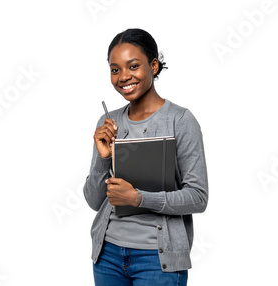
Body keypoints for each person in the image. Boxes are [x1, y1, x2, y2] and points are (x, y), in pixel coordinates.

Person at [83, 28, 208, 286]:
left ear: (153, 66)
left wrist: (138, 198)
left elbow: (198, 197)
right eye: (115, 69)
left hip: (157, 261)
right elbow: (94, 201)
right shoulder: (109, 121)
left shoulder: (181, 121)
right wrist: (102, 157)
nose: (123, 77)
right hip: (108, 255)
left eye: (133, 66)